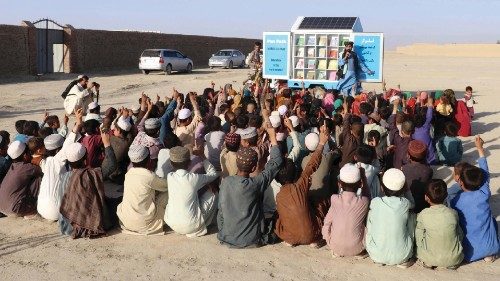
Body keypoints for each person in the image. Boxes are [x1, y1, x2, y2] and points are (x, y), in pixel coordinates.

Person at [217, 126, 283, 248]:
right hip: (252, 239)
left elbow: (221, 210)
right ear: (253, 169)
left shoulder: (225, 182)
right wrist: (273, 138)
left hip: (225, 236)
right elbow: (276, 162)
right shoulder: (256, 183)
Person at [274, 124, 329, 247]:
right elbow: (312, 165)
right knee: (322, 203)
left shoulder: (279, 195)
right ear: (295, 174)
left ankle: (291, 238)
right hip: (312, 235)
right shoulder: (299, 185)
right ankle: (316, 239)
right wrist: (321, 144)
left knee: (278, 218)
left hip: (289, 236)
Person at [450, 136, 499, 263]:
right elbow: (485, 172)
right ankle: (489, 254)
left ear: (460, 182)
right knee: (491, 220)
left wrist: (458, 181)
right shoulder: (484, 193)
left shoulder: (456, 201)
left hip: (468, 254)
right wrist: (480, 148)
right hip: (491, 248)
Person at [59, 131, 116, 238]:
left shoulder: (63, 176)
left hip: (67, 225)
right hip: (85, 224)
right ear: (85, 159)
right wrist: (107, 144)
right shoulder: (90, 175)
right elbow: (112, 165)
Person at [164, 146, 219, 237]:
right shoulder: (194, 178)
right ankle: (207, 223)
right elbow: (213, 174)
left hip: (172, 223)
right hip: (190, 226)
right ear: (189, 163)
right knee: (214, 193)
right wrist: (203, 156)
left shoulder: (170, 176)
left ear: (171, 163)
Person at [366, 168, 416, 267]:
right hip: (403, 255)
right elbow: (413, 205)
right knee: (411, 216)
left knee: (372, 214)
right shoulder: (405, 203)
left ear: (382, 188)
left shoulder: (375, 202)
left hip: (376, 254)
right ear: (403, 188)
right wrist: (407, 189)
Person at [116, 145, 169, 235]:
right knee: (168, 193)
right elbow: (166, 185)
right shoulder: (149, 176)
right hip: (144, 223)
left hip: (126, 221)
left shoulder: (128, 174)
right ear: (148, 159)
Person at [37, 116, 81, 221]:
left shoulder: (44, 162)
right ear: (58, 151)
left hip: (41, 209)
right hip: (57, 212)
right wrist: (78, 123)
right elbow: (68, 144)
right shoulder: (56, 161)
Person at [322, 163, 370, 257]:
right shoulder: (364, 201)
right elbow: (367, 195)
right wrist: (363, 176)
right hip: (357, 248)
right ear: (360, 184)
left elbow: (327, 223)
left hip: (334, 246)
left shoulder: (334, 199)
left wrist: (329, 240)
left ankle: (339, 250)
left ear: (339, 184)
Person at [415, 179, 464, 269]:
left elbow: (419, 236)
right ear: (446, 196)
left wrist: (419, 248)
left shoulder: (423, 214)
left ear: (426, 197)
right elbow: (460, 234)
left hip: (429, 258)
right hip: (454, 259)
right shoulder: (453, 213)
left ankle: (429, 262)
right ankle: (451, 264)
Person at [0, 141, 42, 217]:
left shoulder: (13, 166)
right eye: (29, 153)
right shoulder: (27, 167)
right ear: (25, 156)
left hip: (2, 207)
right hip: (15, 209)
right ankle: (33, 210)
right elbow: (41, 169)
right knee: (38, 178)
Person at [402, 140, 433, 213]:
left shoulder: (404, 169)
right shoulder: (428, 171)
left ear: (408, 156)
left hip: (407, 204)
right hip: (422, 205)